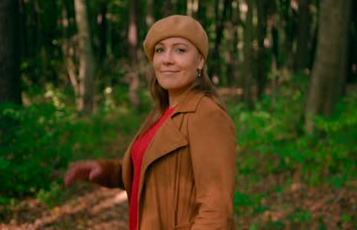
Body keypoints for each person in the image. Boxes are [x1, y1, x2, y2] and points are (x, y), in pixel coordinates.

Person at [64, 15, 237, 229]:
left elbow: (216, 212)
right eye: (160, 50)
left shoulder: (207, 115)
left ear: (200, 60)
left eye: (180, 50)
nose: (167, 59)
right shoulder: (160, 113)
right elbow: (156, 176)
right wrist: (108, 172)